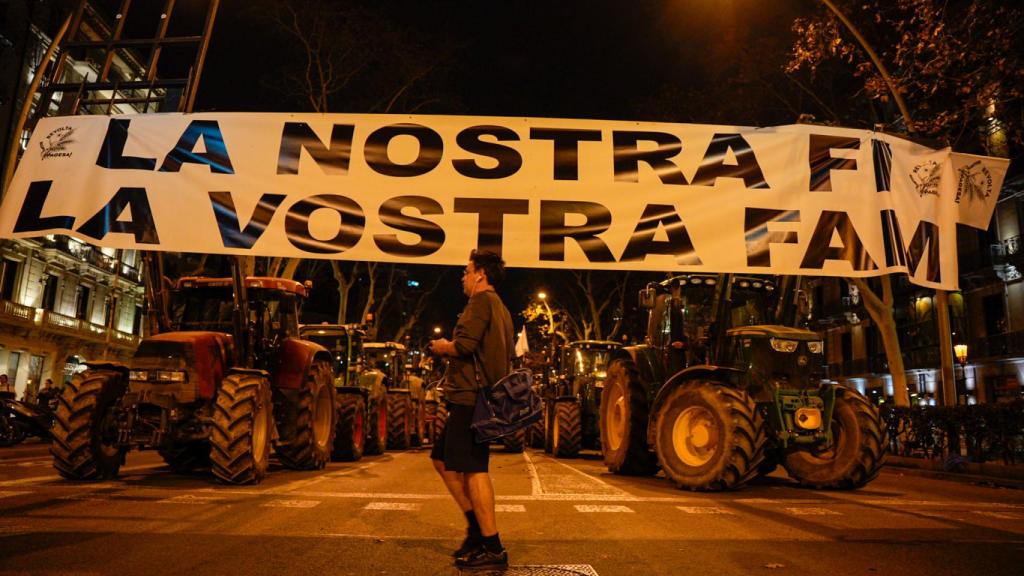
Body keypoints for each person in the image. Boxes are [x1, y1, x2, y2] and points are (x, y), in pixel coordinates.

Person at [429, 250, 514, 570]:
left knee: (475, 468)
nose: (462, 277)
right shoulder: (500, 307)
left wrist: (442, 347)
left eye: (466, 271)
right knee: (441, 459)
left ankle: (491, 545)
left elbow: (464, 346)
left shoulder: (480, 302)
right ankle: (476, 530)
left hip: (471, 397)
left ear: (480, 274)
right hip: (479, 396)